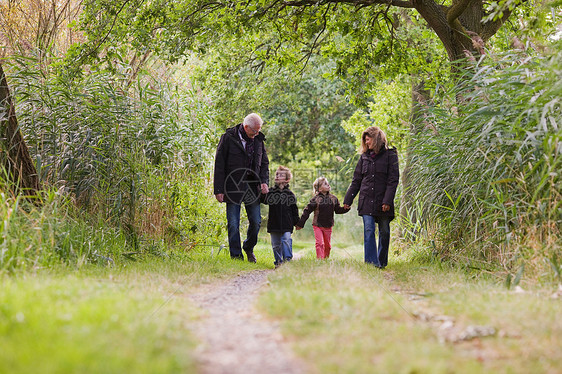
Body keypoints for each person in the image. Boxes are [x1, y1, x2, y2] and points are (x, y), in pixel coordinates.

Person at [214, 113, 269, 262]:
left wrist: (264, 181)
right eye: (255, 131)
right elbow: (219, 164)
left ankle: (248, 247)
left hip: (252, 187)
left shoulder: (258, 140)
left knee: (256, 222)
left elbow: (264, 163)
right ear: (245, 127)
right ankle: (236, 256)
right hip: (232, 187)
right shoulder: (228, 138)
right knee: (233, 224)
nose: (257, 133)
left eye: (259, 130)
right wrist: (218, 189)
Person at [343, 126, 399, 268]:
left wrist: (387, 201)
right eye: (365, 141)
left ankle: (381, 262)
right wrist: (347, 200)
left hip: (383, 201)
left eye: (368, 140)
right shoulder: (364, 158)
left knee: (384, 232)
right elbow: (356, 181)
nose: (366, 143)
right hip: (366, 200)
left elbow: (393, 180)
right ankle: (371, 263)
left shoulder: (391, 155)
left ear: (376, 139)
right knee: (369, 229)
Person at [295, 177, 349, 259]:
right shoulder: (315, 199)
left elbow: (338, 210)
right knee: (320, 243)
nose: (328, 185)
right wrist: (300, 224)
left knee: (328, 246)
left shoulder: (333, 198)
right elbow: (307, 211)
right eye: (325, 184)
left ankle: (325, 259)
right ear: (319, 189)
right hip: (317, 225)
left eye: (327, 183)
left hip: (328, 225)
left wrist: (346, 209)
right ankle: (319, 259)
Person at [262, 166, 299, 267]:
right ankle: (278, 262)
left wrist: (297, 222)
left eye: (281, 175)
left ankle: (287, 260)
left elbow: (294, 210)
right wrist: (263, 192)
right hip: (274, 223)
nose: (277, 176)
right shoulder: (271, 192)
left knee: (286, 240)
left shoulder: (290, 194)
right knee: (276, 245)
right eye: (277, 174)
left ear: (287, 179)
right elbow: (264, 200)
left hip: (287, 223)